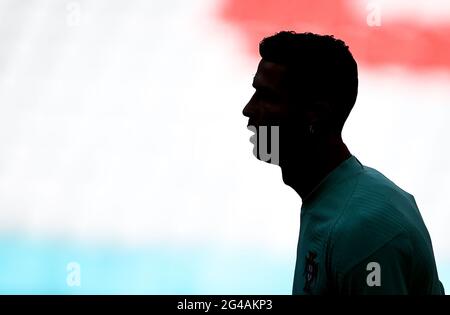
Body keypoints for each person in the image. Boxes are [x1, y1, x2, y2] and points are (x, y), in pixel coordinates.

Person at [242, 31, 445, 295]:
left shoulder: (362, 229)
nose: (248, 109)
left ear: (315, 114)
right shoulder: (333, 201)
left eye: (267, 97)